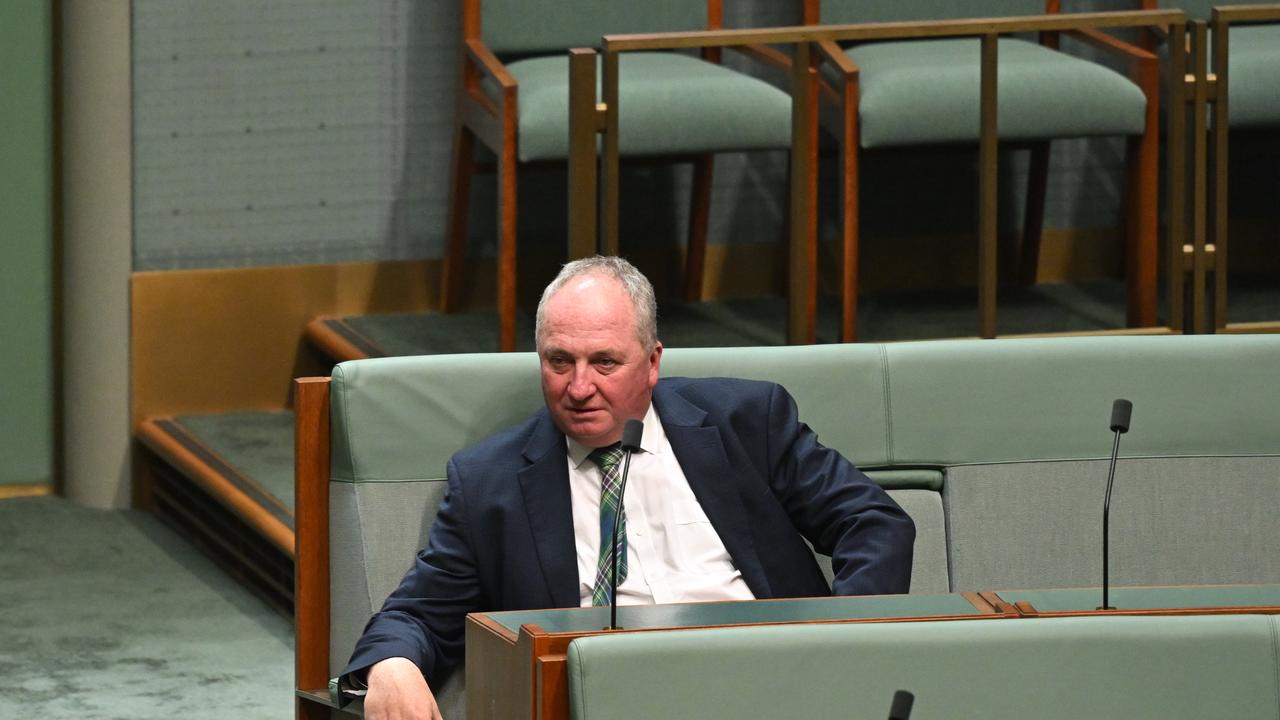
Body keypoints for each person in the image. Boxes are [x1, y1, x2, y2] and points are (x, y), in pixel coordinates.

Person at [343, 256, 915, 720]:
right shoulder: (490, 484)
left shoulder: (746, 422)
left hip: (773, 689)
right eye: (559, 361)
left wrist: (840, 646)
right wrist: (392, 666)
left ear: (652, 361)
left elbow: (873, 524)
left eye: (605, 362)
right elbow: (417, 616)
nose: (579, 387)